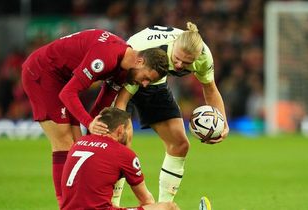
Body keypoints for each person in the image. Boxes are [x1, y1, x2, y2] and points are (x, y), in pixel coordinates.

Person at [21, 29, 169, 206]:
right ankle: (66, 205)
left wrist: (93, 134)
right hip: (43, 72)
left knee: (79, 145)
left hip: (63, 79)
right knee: (65, 144)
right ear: (140, 61)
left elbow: (103, 105)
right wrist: (89, 123)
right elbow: (68, 93)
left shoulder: (124, 71)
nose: (144, 84)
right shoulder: (107, 56)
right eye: (146, 78)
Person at [113, 22, 229, 203]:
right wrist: (118, 124)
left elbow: (210, 89)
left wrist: (222, 123)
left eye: (187, 63)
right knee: (120, 140)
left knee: (180, 144)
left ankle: (164, 206)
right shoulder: (148, 50)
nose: (180, 65)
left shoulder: (204, 57)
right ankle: (112, 205)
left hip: (155, 82)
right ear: (174, 45)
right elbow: (124, 95)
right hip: (126, 75)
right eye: (177, 59)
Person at [60, 107, 179, 210]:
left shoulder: (80, 142)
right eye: (129, 129)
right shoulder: (123, 153)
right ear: (121, 130)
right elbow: (146, 200)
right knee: (168, 207)